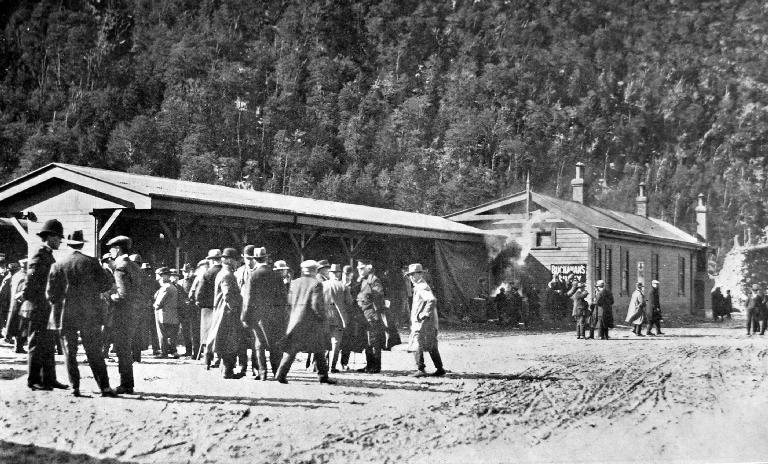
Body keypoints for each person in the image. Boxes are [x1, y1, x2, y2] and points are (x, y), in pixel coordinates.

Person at [47, 230, 116, 397]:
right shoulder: (92, 262)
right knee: (94, 350)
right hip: (89, 312)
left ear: (68, 245)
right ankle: (104, 387)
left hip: (66, 314)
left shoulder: (58, 265)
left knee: (69, 352)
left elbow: (50, 294)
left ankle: (74, 387)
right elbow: (106, 284)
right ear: (82, 244)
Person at [24, 219, 68, 391]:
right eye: (58, 238)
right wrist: (34, 301)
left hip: (47, 306)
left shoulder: (48, 254)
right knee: (36, 343)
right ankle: (33, 379)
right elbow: (31, 281)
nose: (60, 241)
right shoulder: (39, 254)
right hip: (38, 307)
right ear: (49, 236)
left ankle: (49, 379)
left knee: (48, 343)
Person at [275, 260, 334, 384]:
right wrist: (323, 317)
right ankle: (323, 377)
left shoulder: (294, 282)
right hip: (311, 323)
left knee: (291, 350)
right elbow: (316, 305)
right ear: (315, 271)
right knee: (319, 349)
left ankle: (280, 374)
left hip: (295, 321)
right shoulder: (316, 284)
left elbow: (289, 302)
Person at [241, 247, 287, 380]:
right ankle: (277, 371)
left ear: (255, 260)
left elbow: (248, 298)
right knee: (275, 344)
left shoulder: (253, 275)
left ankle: (262, 373)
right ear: (266, 258)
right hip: (275, 315)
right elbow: (283, 297)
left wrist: (245, 316)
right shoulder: (276, 275)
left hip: (258, 316)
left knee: (259, 344)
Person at [108, 235, 143, 394]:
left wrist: (110, 297)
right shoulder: (134, 266)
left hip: (122, 313)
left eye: (112, 248)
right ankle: (128, 383)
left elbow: (122, 294)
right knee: (126, 348)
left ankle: (126, 384)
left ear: (118, 249)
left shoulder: (120, 267)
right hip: (134, 311)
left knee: (122, 349)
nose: (110, 252)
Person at [207, 248, 243, 378]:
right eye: (235, 260)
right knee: (229, 342)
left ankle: (225, 370)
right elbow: (228, 295)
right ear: (228, 260)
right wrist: (236, 309)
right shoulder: (227, 275)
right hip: (227, 314)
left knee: (225, 342)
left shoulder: (223, 273)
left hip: (223, 312)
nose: (238, 263)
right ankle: (228, 372)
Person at [405, 263, 445, 377]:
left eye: (414, 274)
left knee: (416, 344)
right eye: (410, 275)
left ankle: (420, 369)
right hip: (428, 323)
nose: (411, 277)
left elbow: (431, 300)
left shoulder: (421, 286)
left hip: (423, 323)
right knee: (431, 345)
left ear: (420, 274)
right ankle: (440, 368)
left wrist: (424, 314)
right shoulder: (420, 286)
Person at [355, 259, 386, 373]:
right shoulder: (362, 280)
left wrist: (374, 312)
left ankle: (376, 366)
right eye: (358, 268)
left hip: (372, 316)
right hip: (363, 316)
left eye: (362, 268)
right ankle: (369, 365)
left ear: (369, 267)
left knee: (374, 342)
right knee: (366, 342)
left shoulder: (374, 280)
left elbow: (378, 297)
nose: (359, 270)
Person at [323, 264, 352, 373]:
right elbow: (349, 302)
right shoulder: (343, 286)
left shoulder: (322, 285)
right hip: (338, 318)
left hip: (324, 317)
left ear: (330, 273)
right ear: (339, 274)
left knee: (324, 341)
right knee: (336, 342)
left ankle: (320, 366)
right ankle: (332, 367)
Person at [196, 249, 222, 361]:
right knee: (220, 333)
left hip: (207, 308)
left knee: (207, 334)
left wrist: (199, 302)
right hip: (220, 307)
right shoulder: (224, 272)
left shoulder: (207, 274)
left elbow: (199, 292)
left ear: (210, 260)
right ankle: (219, 358)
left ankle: (208, 358)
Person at [153, 267, 180, 358]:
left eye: (158, 276)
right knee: (172, 335)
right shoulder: (172, 286)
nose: (157, 278)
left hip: (163, 314)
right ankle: (173, 351)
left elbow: (158, 303)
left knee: (162, 334)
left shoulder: (166, 287)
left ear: (164, 276)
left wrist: (154, 306)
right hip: (172, 314)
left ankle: (164, 352)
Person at [3, 262, 26, 352]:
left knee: (15, 324)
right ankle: (18, 346)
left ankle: (17, 346)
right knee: (21, 325)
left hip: (12, 303)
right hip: (20, 303)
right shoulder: (24, 276)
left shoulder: (15, 276)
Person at [177, 264, 198, 357]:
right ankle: (188, 350)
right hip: (183, 311)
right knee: (185, 331)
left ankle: (196, 352)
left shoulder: (195, 282)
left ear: (192, 271)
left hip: (193, 310)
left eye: (188, 271)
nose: (187, 274)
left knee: (194, 331)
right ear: (182, 272)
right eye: (185, 272)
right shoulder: (180, 283)